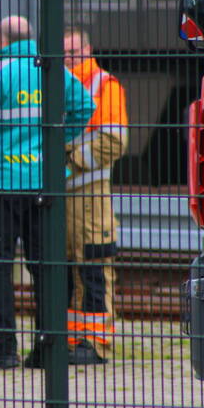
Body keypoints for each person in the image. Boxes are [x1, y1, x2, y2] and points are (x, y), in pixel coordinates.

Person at [0, 16, 94, 370]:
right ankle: (48, 348)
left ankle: (2, 349)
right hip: (44, 183)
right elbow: (85, 107)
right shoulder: (52, 68)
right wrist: (54, 143)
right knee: (47, 266)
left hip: (2, 182)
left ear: (1, 39)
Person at [63, 27, 129, 364]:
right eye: (65, 53)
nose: (70, 58)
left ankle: (97, 343)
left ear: (88, 48)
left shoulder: (105, 85)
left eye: (75, 51)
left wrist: (70, 158)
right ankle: (74, 342)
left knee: (93, 267)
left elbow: (115, 141)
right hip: (64, 198)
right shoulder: (54, 85)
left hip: (90, 198)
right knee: (68, 271)